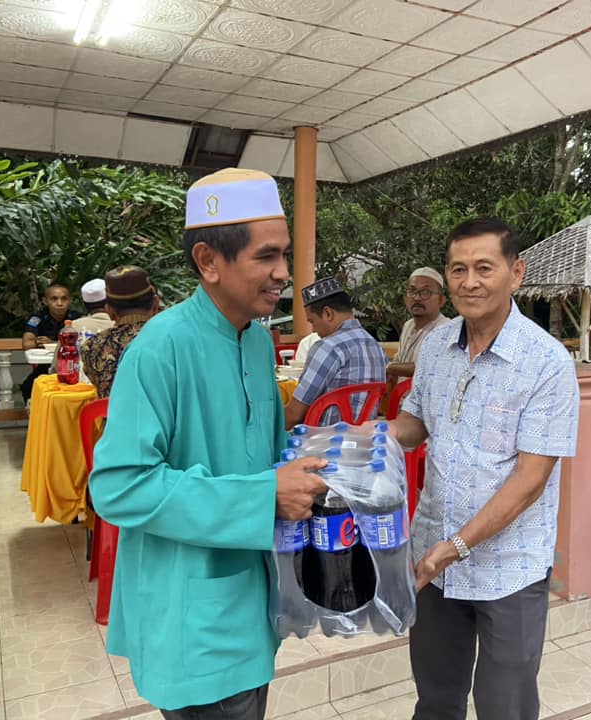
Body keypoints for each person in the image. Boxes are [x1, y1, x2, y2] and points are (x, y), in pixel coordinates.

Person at [88, 168, 328, 720]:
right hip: (192, 617)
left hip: (251, 602)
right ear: (208, 261)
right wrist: (263, 494)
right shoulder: (160, 348)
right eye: (267, 256)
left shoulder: (256, 342)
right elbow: (119, 485)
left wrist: (320, 459)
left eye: (284, 255)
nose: (283, 273)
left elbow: (260, 456)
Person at [383, 218, 579, 720]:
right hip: (433, 556)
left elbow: (531, 480)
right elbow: (416, 421)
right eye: (458, 269)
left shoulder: (546, 362)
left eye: (484, 268)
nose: (469, 282)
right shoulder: (436, 346)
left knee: (504, 707)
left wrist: (456, 547)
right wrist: (375, 436)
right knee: (435, 699)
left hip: (509, 568)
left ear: (516, 273)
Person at [283, 276, 387, 428]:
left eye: (312, 321)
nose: (313, 329)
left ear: (328, 313)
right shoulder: (375, 345)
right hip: (364, 437)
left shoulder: (327, 347)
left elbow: (294, 415)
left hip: (324, 439)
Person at [79, 266, 158, 398]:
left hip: (112, 412)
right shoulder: (172, 340)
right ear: (155, 304)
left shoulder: (92, 346)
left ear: (109, 311)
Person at [386, 266, 451, 380]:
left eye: (425, 292)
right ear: (405, 298)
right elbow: (399, 360)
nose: (417, 298)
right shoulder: (408, 325)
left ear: (441, 300)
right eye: (412, 291)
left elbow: (431, 369)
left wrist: (391, 367)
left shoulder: (446, 329)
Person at [20, 283, 81, 401]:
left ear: (70, 300)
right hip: (45, 367)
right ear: (45, 301)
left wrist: (51, 343)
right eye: (54, 299)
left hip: (72, 367)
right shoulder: (38, 318)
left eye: (64, 299)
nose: (59, 303)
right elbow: (27, 344)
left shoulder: (77, 319)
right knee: (28, 387)